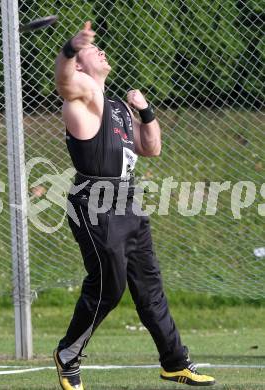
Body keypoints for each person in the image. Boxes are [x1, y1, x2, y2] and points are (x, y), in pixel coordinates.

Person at [53, 21, 215, 390]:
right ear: (79, 65)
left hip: (128, 200)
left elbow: (151, 148)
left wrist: (146, 112)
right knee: (109, 287)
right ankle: (68, 355)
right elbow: (64, 82)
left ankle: (175, 363)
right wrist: (69, 48)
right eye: (91, 51)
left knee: (149, 286)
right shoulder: (84, 95)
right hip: (96, 202)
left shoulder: (116, 107)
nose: (100, 50)